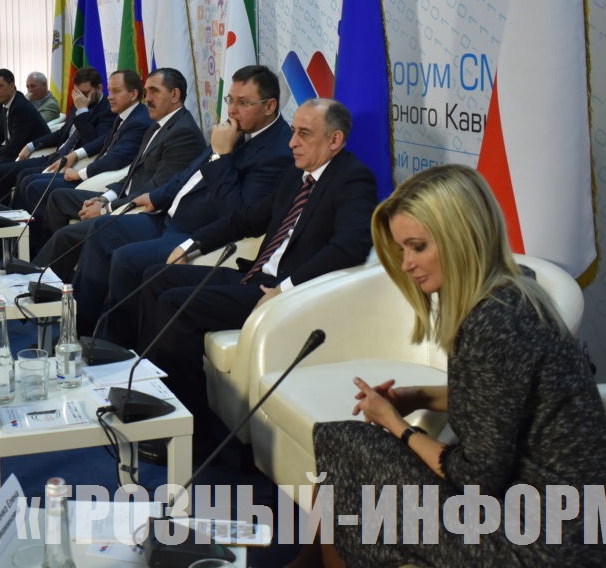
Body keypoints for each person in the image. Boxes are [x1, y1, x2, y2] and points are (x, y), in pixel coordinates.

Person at [301, 164, 606, 568]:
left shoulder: (494, 323)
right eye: (402, 250)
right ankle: (308, 562)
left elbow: (475, 480)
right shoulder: (515, 292)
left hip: (548, 544)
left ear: (461, 238)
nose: (406, 264)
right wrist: (416, 396)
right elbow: (501, 400)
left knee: (347, 446)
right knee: (344, 443)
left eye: (418, 247)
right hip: (585, 525)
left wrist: (397, 425)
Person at [129, 98, 377, 441]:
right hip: (253, 277)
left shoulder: (353, 179)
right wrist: (191, 245)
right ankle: (156, 398)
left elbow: (350, 247)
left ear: (335, 140)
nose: (292, 143)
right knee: (157, 276)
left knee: (176, 303)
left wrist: (285, 289)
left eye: (304, 134)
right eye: (293, 132)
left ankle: (192, 432)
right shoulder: (296, 175)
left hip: (282, 294)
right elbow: (247, 219)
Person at [71, 65, 291, 333]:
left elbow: (238, 212)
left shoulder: (279, 152)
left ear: (270, 106)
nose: (232, 110)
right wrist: (155, 196)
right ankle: (80, 326)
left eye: (243, 103)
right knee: (101, 230)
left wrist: (221, 156)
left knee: (126, 259)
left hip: (196, 231)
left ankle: (113, 342)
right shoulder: (236, 128)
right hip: (167, 217)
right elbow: (188, 174)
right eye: (230, 100)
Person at [33, 67, 207, 280]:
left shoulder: (183, 132)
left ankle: (36, 281)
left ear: (175, 94)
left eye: (154, 91)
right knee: (59, 196)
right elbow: (133, 174)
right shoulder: (157, 125)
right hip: (125, 197)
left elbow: (156, 188)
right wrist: (104, 198)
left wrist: (106, 208)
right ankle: (49, 275)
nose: (147, 98)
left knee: (66, 235)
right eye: (146, 92)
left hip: (144, 210)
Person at [17, 69, 150, 252]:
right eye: (110, 91)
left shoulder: (139, 120)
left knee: (36, 187)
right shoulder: (126, 114)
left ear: (134, 94)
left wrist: (80, 174)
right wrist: (76, 155)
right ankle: (26, 246)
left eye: (116, 91)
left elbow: (115, 159)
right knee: (29, 180)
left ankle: (38, 249)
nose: (110, 97)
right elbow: (103, 142)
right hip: (89, 167)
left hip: (102, 179)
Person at [0, 66, 112, 207]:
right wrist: (31, 145)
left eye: (85, 93)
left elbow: (92, 142)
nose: (80, 97)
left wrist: (82, 110)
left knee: (25, 177)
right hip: (55, 156)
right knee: (3, 170)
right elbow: (62, 133)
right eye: (77, 92)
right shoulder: (78, 102)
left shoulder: (107, 111)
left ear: (99, 88)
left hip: (74, 163)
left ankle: (18, 217)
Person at [0, 69, 49, 197]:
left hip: (35, 152)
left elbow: (14, 146)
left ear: (12, 86)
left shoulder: (21, 107)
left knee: (0, 163)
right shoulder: (1, 104)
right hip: (17, 150)